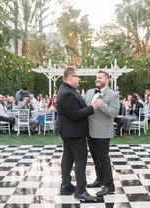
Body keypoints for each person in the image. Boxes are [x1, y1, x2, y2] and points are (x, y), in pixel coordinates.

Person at [55, 67, 101, 202]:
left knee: (68, 157)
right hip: (73, 132)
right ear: (70, 77)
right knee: (80, 159)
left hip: (69, 131)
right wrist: (93, 108)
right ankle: (80, 191)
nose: (80, 79)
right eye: (77, 76)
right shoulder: (67, 93)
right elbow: (75, 114)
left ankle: (66, 185)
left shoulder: (67, 90)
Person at [84, 70, 120, 197]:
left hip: (103, 132)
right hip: (90, 131)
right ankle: (99, 179)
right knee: (95, 158)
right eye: (96, 77)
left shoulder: (113, 95)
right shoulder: (89, 92)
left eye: (100, 77)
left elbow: (114, 113)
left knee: (103, 159)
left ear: (107, 80)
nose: (97, 79)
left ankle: (109, 186)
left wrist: (102, 105)